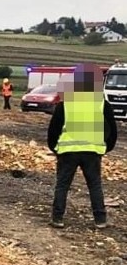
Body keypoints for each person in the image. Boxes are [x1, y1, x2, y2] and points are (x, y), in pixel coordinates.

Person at [47, 64, 117, 229]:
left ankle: (57, 218)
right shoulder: (102, 104)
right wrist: (106, 148)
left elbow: (54, 129)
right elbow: (112, 130)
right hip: (92, 152)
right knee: (95, 185)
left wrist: (54, 148)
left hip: (68, 152)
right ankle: (100, 220)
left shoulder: (66, 104)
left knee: (62, 185)